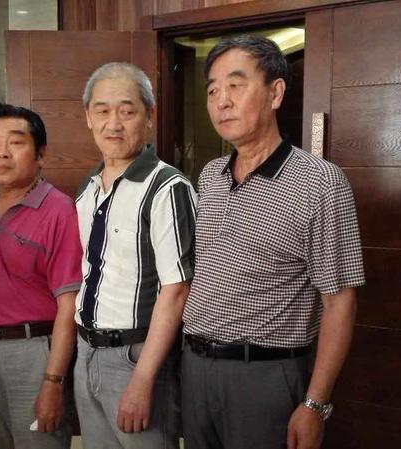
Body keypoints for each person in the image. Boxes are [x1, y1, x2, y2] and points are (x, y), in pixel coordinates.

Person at [181, 35, 366, 449]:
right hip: (194, 367)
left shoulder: (320, 183)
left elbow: (340, 302)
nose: (222, 101)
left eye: (235, 85)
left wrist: (315, 404)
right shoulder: (210, 175)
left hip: (263, 376)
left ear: (275, 93)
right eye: (212, 91)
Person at [73, 62, 196, 449]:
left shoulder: (167, 187)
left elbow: (178, 290)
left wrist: (142, 379)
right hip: (86, 351)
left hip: (135, 357)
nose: (113, 124)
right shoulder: (88, 188)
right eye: (102, 111)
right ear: (88, 117)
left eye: (127, 111)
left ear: (149, 116)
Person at [0, 87, 83, 449]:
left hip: (32, 351)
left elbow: (68, 306)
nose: (2, 152)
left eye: (15, 142)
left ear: (41, 155)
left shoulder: (59, 210)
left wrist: (53, 382)